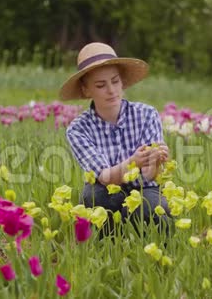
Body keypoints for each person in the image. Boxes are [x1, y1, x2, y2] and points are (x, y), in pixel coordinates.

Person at [60, 42, 171, 234]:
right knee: (92, 197)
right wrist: (132, 163)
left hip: (145, 188)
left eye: (115, 81)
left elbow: (150, 176)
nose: (111, 90)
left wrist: (156, 161)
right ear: (86, 90)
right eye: (101, 85)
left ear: (122, 81)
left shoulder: (147, 114)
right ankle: (107, 242)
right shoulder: (78, 129)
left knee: (151, 209)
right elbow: (103, 177)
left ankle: (146, 244)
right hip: (106, 189)